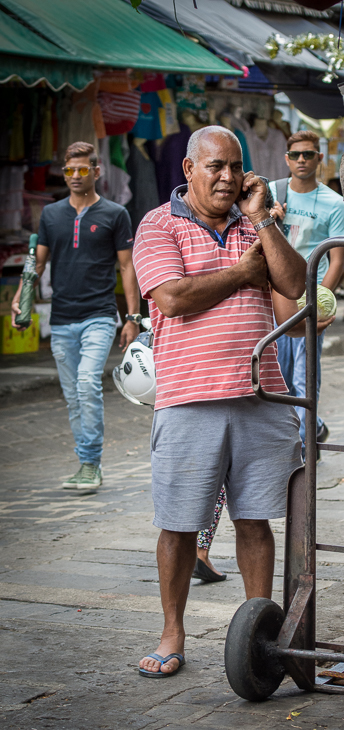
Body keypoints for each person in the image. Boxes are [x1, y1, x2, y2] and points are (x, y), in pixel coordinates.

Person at [133, 126, 309, 678]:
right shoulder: (158, 224)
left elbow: (294, 286)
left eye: (236, 166)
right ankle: (172, 632)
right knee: (179, 523)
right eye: (216, 166)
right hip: (189, 400)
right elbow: (173, 297)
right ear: (188, 170)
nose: (228, 177)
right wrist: (241, 273)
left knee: (255, 521)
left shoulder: (256, 225)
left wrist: (262, 220)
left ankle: (257, 633)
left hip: (262, 395)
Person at [11, 141, 140, 491]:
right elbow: (36, 263)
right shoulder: (51, 215)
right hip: (62, 318)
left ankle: (91, 462)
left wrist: (132, 317)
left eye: (83, 170)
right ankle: (85, 463)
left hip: (99, 315)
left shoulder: (116, 214)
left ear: (97, 172)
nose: (75, 176)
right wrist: (20, 297)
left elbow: (127, 267)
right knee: (72, 395)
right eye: (69, 170)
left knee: (86, 383)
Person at [269, 130, 344, 453]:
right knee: (279, 377)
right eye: (296, 155)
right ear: (287, 159)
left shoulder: (334, 203)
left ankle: (303, 448)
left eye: (309, 154)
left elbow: (337, 261)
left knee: (305, 378)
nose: (302, 160)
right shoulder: (272, 194)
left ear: (319, 158)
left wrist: (316, 301)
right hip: (273, 299)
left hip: (307, 300)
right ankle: (311, 427)